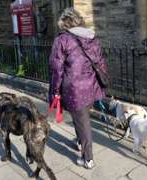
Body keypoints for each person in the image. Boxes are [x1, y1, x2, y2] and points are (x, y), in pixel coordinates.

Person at [48, 8, 107, 169]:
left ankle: (88, 159)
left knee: (83, 123)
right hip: (91, 86)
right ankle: (80, 143)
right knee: (80, 118)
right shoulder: (92, 37)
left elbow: (56, 69)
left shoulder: (62, 40)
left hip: (74, 89)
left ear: (65, 23)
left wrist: (54, 91)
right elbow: (101, 62)